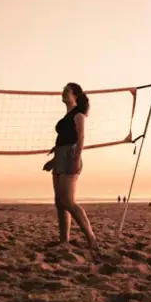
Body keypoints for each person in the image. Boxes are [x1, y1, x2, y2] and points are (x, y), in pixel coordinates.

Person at [46, 83, 98, 252]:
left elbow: (81, 138)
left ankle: (91, 238)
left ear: (75, 95)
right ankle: (64, 241)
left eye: (67, 90)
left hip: (70, 156)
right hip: (60, 156)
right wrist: (54, 159)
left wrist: (76, 158)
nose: (63, 92)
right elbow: (63, 139)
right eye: (63, 90)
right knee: (59, 202)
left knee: (67, 200)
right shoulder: (65, 117)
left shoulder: (78, 114)